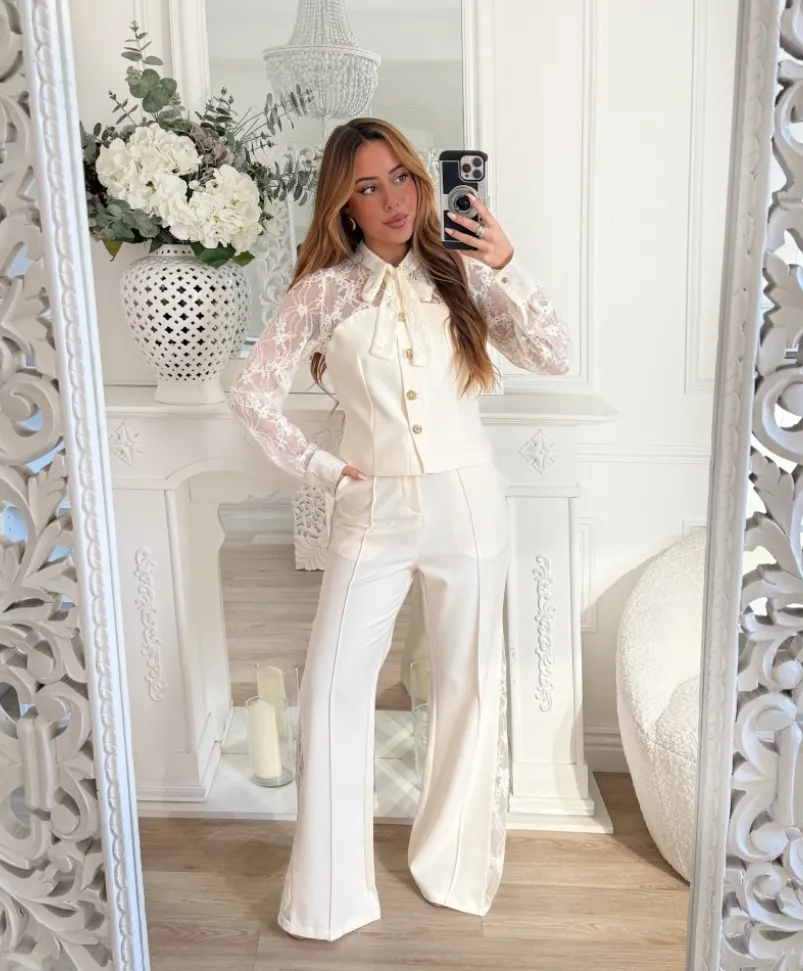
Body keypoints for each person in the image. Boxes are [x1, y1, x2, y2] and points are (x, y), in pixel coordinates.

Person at [228, 117, 570, 942]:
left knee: (467, 685)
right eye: (368, 187)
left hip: (469, 504)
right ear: (343, 206)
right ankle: (330, 895)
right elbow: (252, 392)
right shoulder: (323, 293)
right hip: (370, 510)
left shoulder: (463, 273)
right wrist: (321, 469)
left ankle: (453, 864)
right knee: (331, 690)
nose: (392, 199)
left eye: (402, 178)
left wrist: (505, 264)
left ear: (422, 180)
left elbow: (554, 354)